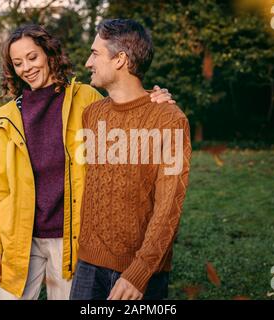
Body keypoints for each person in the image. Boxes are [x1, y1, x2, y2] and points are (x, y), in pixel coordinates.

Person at [0, 24, 174, 300]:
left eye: (32, 57)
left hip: (72, 238)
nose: (27, 68)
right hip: (20, 238)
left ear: (49, 54)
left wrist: (156, 98)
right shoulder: (8, 115)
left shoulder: (86, 98)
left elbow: (127, 109)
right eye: (18, 63)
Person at [69, 19, 192, 300]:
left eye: (95, 53)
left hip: (140, 273)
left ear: (120, 59)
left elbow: (169, 206)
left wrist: (140, 272)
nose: (88, 62)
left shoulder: (169, 120)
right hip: (88, 266)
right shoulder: (93, 114)